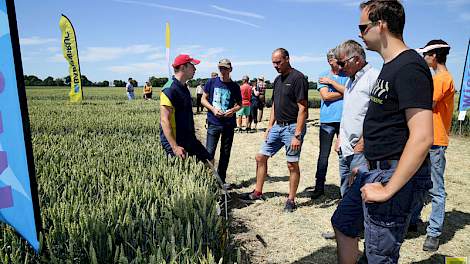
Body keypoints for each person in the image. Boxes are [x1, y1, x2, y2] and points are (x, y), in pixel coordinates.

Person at [331, 1, 434, 263]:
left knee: (380, 256)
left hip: (391, 176)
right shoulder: (390, 66)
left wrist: (387, 190)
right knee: (343, 222)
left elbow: (422, 137)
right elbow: (386, 123)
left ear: (381, 25)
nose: (360, 33)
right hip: (372, 168)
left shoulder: (410, 67)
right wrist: (365, 159)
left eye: (363, 27)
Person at [240, 48, 308, 213]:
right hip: (278, 126)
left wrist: (297, 135)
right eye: (273, 63)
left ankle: (291, 200)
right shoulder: (277, 80)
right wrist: (270, 126)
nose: (275, 65)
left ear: (287, 59)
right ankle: (257, 191)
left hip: (293, 127)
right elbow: (275, 105)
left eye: (278, 62)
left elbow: (303, 108)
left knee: (292, 164)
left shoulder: (298, 78)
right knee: (260, 156)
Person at [410, 39, 455, 251]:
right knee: (419, 183)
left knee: (436, 189)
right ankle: (413, 220)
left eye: (425, 55)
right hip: (427, 138)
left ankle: (434, 233)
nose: (423, 58)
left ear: (434, 56)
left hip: (435, 141)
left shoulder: (442, 79)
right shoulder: (438, 78)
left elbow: (425, 103)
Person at [310, 48, 348, 199]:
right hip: (327, 121)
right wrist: (345, 91)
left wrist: (332, 83)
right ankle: (319, 187)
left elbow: (350, 91)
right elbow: (325, 96)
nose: (340, 63)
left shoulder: (347, 75)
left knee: (344, 155)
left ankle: (345, 190)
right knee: (323, 155)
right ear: (329, 61)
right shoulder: (322, 75)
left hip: (345, 121)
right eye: (336, 60)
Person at [159, 54, 211, 162]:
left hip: (189, 138)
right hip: (176, 141)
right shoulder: (169, 89)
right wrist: (174, 147)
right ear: (183, 67)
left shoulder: (184, 87)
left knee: (208, 160)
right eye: (192, 66)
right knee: (181, 173)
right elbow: (164, 120)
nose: (195, 69)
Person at [201, 58, 242, 186]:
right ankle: (207, 181)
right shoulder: (212, 82)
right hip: (213, 123)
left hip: (228, 125)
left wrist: (233, 111)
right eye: (221, 68)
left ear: (230, 69)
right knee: (209, 153)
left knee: (225, 153)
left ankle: (221, 181)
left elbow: (240, 104)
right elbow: (203, 99)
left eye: (225, 68)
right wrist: (213, 109)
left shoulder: (235, 86)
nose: (222, 70)